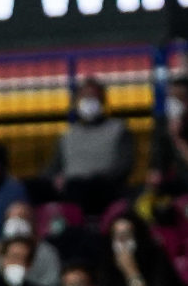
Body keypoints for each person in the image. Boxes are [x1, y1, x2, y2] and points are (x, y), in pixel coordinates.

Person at [45, 77, 133, 212]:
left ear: (102, 100)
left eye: (93, 97)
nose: (89, 101)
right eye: (85, 97)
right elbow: (53, 167)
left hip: (104, 189)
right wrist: (54, 179)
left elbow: (124, 166)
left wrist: (100, 179)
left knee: (84, 187)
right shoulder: (68, 134)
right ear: (77, 102)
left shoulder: (118, 129)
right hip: (71, 189)